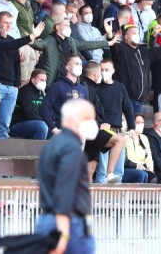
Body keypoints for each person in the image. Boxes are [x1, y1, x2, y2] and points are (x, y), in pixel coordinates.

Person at [35, 98, 97, 254]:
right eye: (88, 118)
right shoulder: (71, 148)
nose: (92, 123)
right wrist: (62, 235)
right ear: (74, 118)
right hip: (68, 223)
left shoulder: (51, 145)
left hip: (48, 219)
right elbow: (65, 190)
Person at [32, 16, 114, 86]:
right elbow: (36, 44)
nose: (68, 27)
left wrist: (108, 43)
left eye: (69, 25)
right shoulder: (49, 39)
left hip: (68, 80)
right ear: (57, 27)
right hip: (53, 81)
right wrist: (32, 36)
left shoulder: (71, 41)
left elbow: (88, 44)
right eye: (66, 25)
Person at [10, 69, 49, 140]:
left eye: (45, 80)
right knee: (42, 126)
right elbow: (29, 114)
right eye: (41, 80)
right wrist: (46, 121)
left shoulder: (42, 92)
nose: (44, 82)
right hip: (17, 125)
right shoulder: (25, 92)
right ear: (33, 80)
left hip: (34, 122)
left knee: (55, 129)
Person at [123, 114, 155, 183]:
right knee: (142, 174)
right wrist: (138, 166)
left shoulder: (144, 138)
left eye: (142, 122)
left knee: (153, 176)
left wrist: (150, 168)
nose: (141, 125)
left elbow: (149, 156)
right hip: (131, 166)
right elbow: (130, 157)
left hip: (143, 167)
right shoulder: (126, 137)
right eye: (138, 122)